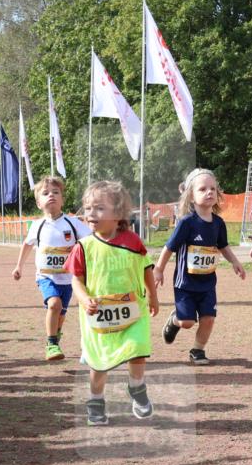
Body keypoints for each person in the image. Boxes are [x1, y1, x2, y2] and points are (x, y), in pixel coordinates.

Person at [64, 180, 158, 426]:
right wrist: (84, 299)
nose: (90, 214)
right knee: (99, 362)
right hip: (98, 316)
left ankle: (137, 388)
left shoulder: (133, 241)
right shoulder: (83, 247)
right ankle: (96, 402)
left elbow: (146, 267)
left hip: (133, 313)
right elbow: (76, 280)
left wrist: (153, 295)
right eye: (87, 208)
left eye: (98, 208)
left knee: (137, 350)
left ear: (118, 214)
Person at [154, 168, 245, 365]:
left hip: (207, 282)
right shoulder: (187, 222)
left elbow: (223, 246)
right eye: (202, 189)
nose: (209, 192)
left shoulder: (219, 223)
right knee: (187, 322)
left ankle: (198, 350)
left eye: (212, 188)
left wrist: (235, 262)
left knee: (208, 318)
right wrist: (159, 269)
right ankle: (175, 320)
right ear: (191, 196)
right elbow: (169, 247)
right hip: (185, 282)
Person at [12, 175, 91, 361]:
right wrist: (19, 267)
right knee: (54, 304)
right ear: (39, 203)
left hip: (69, 279)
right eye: (46, 193)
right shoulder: (37, 226)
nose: (51, 196)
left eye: (56, 192)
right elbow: (27, 245)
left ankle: (56, 332)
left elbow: (90, 242)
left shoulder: (73, 223)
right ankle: (51, 344)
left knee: (61, 312)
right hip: (46, 277)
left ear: (63, 199)